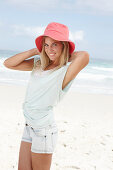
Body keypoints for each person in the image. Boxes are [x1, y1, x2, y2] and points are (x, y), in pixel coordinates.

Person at [3, 22, 89, 170]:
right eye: (46, 45)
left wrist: (62, 55)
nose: (50, 49)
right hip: (29, 126)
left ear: (64, 45)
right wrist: (33, 51)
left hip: (43, 130)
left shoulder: (63, 72)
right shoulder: (39, 64)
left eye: (55, 44)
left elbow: (84, 56)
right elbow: (8, 64)